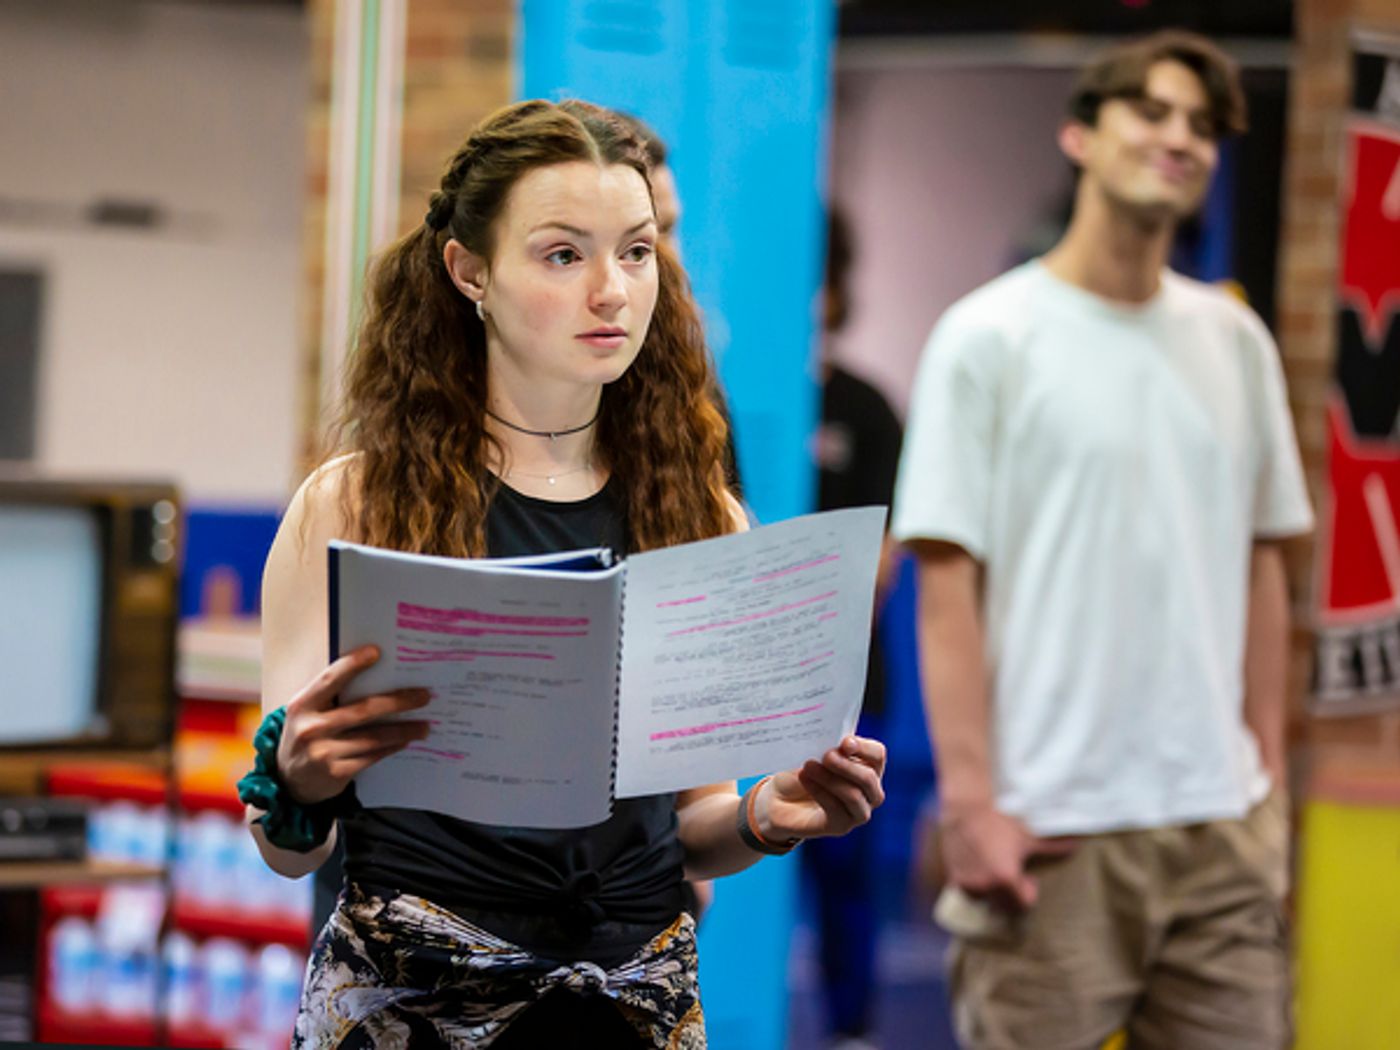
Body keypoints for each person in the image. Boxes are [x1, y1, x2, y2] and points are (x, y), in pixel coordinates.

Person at [239, 99, 887, 1049]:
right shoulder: (355, 503)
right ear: (469, 271)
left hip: (630, 1007)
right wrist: (296, 788)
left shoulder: (701, 513)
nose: (613, 291)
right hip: (412, 1004)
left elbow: (691, 826)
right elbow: (287, 852)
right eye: (562, 255)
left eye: (636, 252)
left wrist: (765, 814)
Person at [892, 31, 1312, 1050]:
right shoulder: (987, 336)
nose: (1180, 137)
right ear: (1079, 134)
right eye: (1151, 111)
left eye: (1201, 125)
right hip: (1047, 833)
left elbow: (1263, 563)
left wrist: (1264, 779)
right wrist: (971, 808)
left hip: (1218, 834)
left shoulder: (1236, 341)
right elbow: (945, 586)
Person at [803, 207, 903, 1049]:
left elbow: (882, 559)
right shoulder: (718, 406)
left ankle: (852, 1032)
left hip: (847, 686)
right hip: (739, 688)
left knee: (844, 867)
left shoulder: (867, 410)